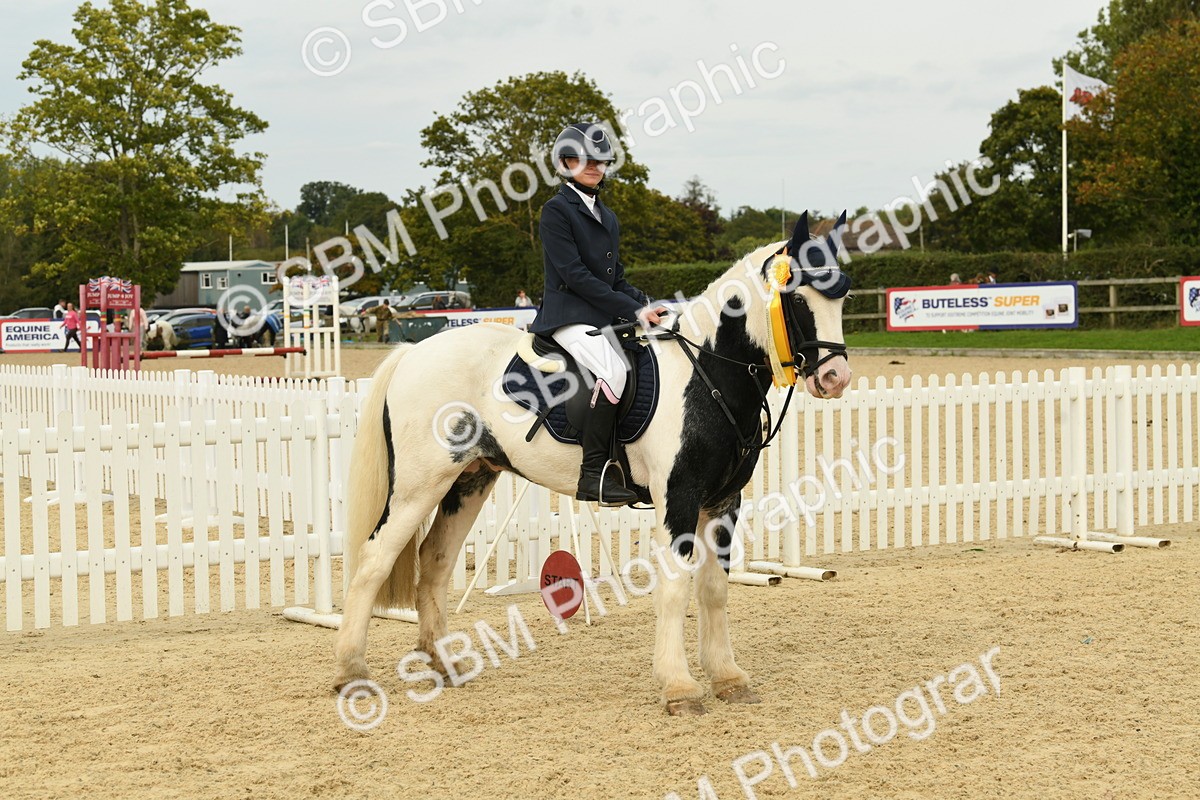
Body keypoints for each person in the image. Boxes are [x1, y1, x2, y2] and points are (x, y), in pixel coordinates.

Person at [529, 122, 667, 506]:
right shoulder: (556, 211)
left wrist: (645, 302)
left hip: (599, 315)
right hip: (567, 314)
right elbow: (574, 275)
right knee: (614, 370)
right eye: (584, 159)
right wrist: (631, 309)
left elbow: (615, 277)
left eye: (601, 160)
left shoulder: (607, 215)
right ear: (565, 163)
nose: (594, 166)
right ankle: (593, 474)